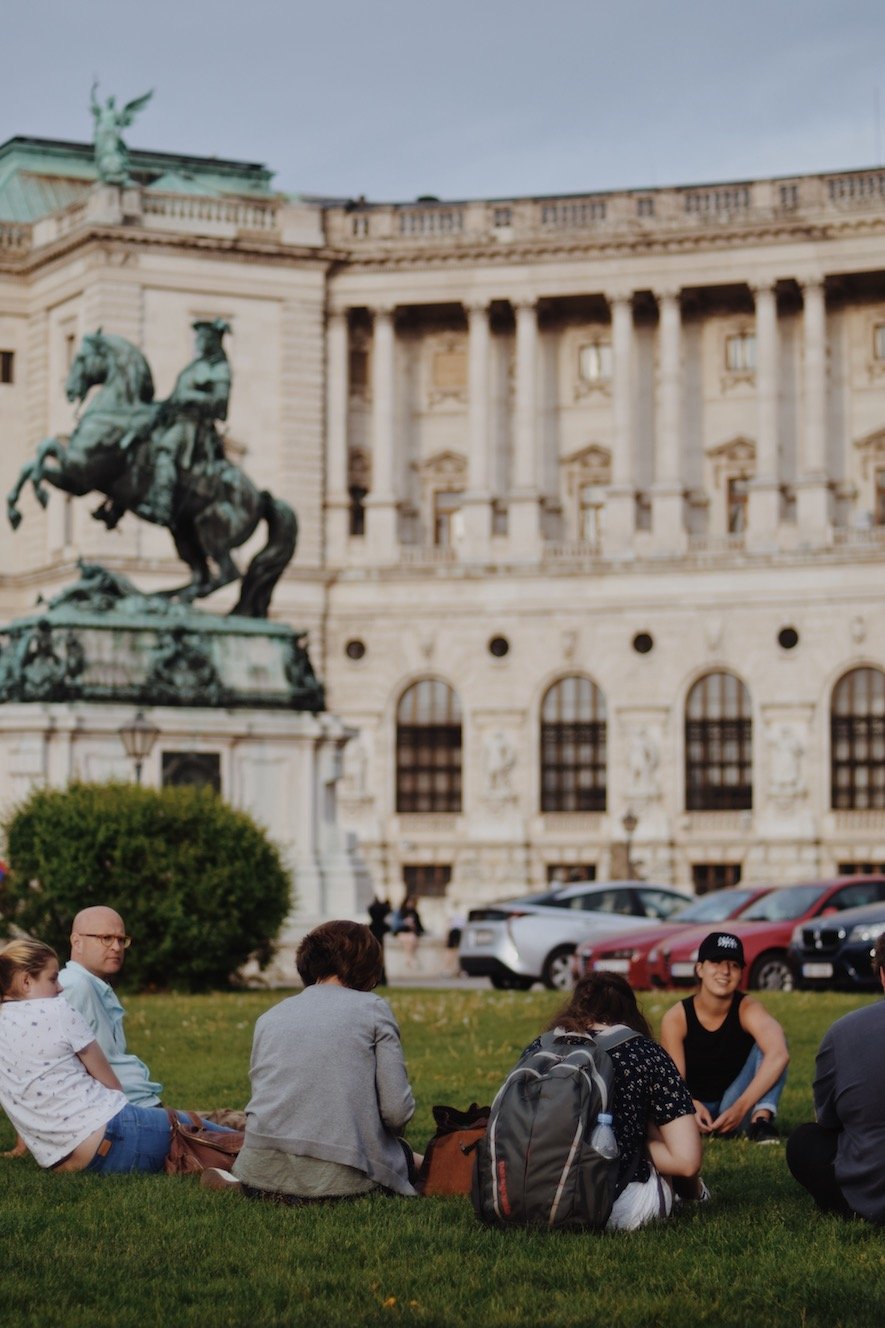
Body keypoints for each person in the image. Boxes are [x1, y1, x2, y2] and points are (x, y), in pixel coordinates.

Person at [204, 920, 418, 1202]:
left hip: (258, 1168)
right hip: (340, 1180)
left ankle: (251, 1183)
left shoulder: (270, 1017)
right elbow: (396, 1112)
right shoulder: (373, 1009)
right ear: (369, 969)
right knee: (407, 1156)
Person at [519, 972, 704, 1229]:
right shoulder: (645, 1052)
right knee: (658, 1125)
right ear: (630, 1011)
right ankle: (695, 1194)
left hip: (528, 1198)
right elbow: (687, 1162)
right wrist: (641, 1135)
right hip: (617, 1208)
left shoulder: (539, 1048)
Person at [0, 938, 173, 1173]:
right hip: (110, 1135)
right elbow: (113, 1088)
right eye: (53, 979)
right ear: (26, 981)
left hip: (61, 1163)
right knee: (200, 1131)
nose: (60, 988)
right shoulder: (57, 1009)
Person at [786, 933, 885, 1223]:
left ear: (882, 973)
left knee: (805, 1141)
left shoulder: (843, 1031)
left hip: (867, 1192)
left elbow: (828, 1120)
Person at [660, 931, 790, 1143]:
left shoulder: (747, 1008)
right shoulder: (676, 1017)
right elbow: (674, 1082)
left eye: (734, 965)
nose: (725, 971)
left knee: (774, 1042)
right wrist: (689, 1105)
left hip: (736, 1102)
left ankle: (761, 1123)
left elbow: (779, 1054)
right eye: (716, 962)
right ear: (700, 969)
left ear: (740, 974)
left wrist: (741, 1108)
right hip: (693, 1108)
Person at [124, 318, 231, 526]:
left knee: (165, 451)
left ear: (213, 340)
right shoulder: (194, 367)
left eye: (203, 337)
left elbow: (220, 403)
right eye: (198, 337)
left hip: (193, 426)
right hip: (174, 419)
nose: (198, 341)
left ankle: (162, 507)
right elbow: (175, 397)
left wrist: (190, 398)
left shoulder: (220, 369)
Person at [396, 894, 424, 970]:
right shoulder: (400, 912)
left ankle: (408, 959)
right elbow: (395, 924)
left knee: (411, 938)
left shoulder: (415, 913)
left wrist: (414, 926)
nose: (410, 904)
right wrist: (404, 923)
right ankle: (410, 959)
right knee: (407, 939)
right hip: (401, 932)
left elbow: (420, 926)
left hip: (411, 933)